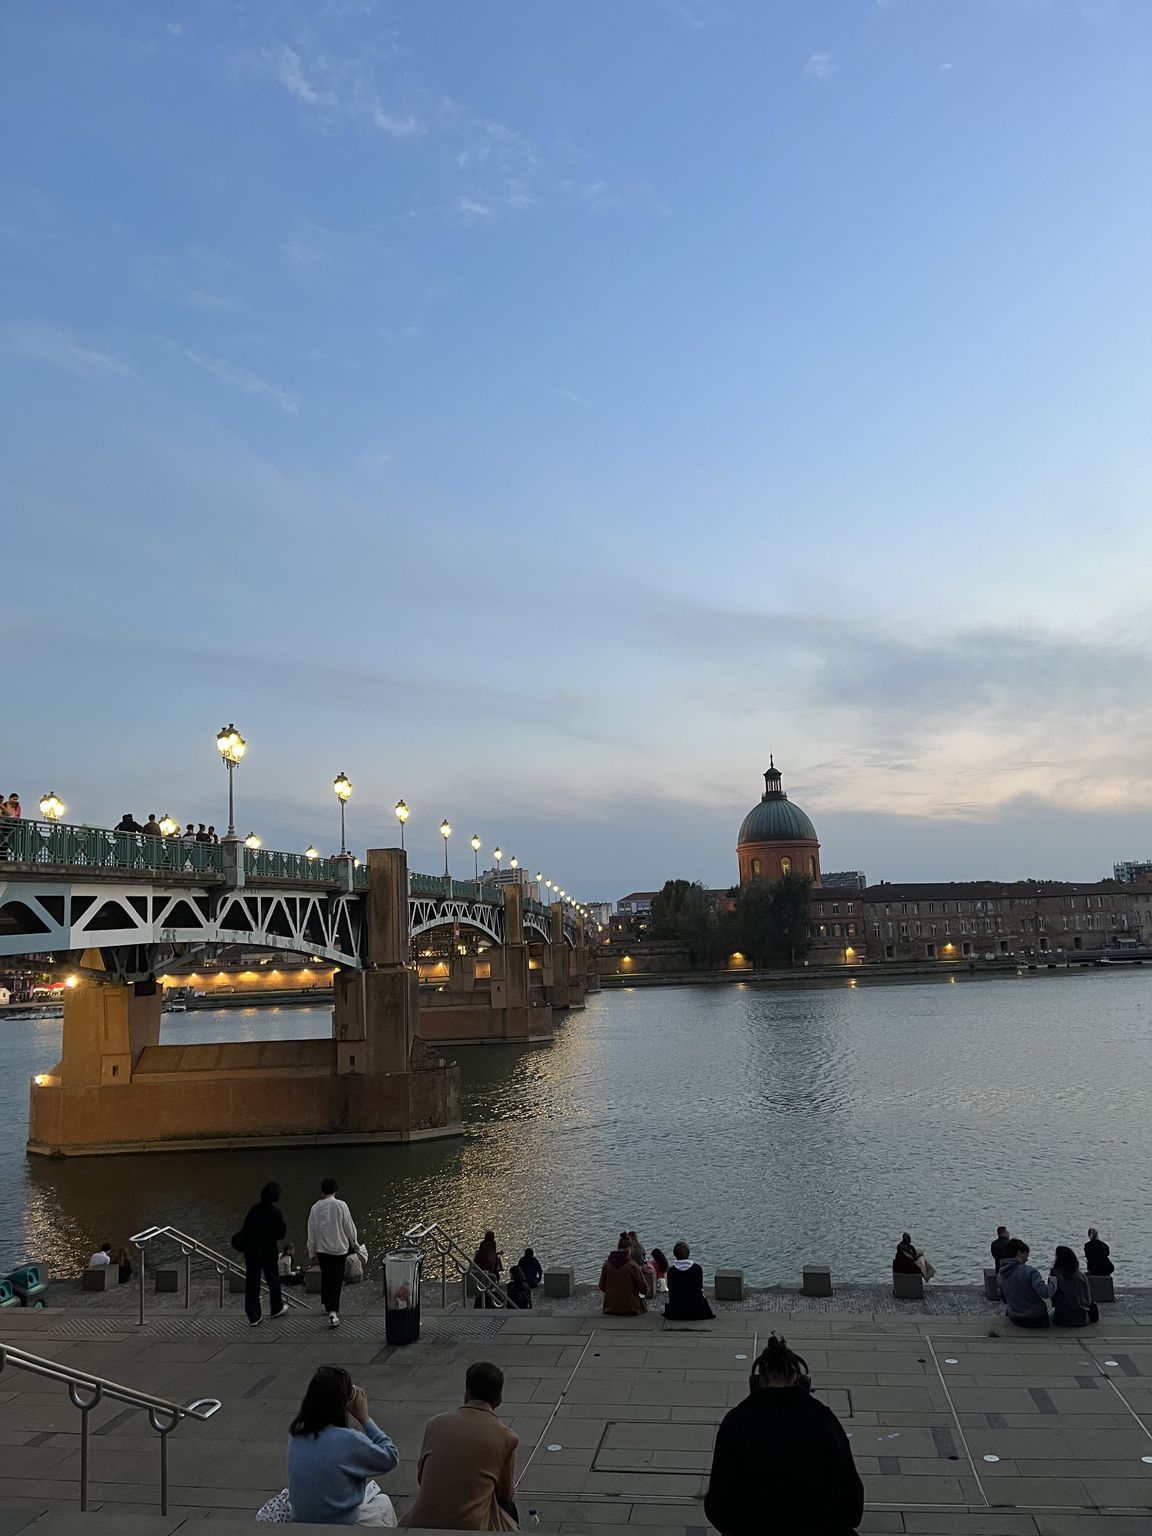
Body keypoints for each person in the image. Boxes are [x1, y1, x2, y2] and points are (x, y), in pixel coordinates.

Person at [705, 1333, 864, 1536]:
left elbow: (718, 1506)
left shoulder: (735, 1422)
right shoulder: (824, 1421)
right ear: (800, 1379)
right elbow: (852, 1504)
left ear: (757, 1381)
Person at [400, 1361, 518, 1531]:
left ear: (466, 1394)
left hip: (420, 1523)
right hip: (471, 1527)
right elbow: (505, 1494)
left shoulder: (435, 1423)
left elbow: (421, 1478)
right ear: (499, 1399)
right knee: (508, 1509)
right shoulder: (507, 1437)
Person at [287, 1366, 398, 1527]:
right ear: (342, 1403)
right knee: (383, 1503)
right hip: (341, 1524)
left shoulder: (296, 1436)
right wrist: (364, 1418)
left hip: (301, 1521)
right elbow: (391, 1456)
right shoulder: (347, 1440)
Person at [308, 1176, 359, 1329]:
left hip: (322, 1249)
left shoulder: (315, 1208)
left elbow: (311, 1232)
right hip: (339, 1248)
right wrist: (354, 1243)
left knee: (327, 1276)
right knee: (336, 1280)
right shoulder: (341, 1205)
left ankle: (327, 1303)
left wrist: (311, 1252)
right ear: (335, 1190)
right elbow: (349, 1227)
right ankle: (333, 1311)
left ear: (322, 1190)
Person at [239, 1181, 288, 1327]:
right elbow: (280, 1233)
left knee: (252, 1281)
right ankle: (276, 1307)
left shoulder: (254, 1210)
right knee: (273, 1278)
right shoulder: (275, 1213)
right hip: (268, 1250)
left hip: (251, 1251)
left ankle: (253, 1315)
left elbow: (246, 1228)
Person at [998, 1239, 1053, 1329]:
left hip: (1015, 1317)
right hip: (1036, 1319)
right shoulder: (1029, 1272)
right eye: (1026, 1255)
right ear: (1019, 1252)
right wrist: (1053, 1282)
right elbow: (1045, 1293)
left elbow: (1003, 1299)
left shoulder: (1001, 1274)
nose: (1027, 1259)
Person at [664, 1241, 715, 1321]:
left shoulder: (671, 1271)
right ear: (688, 1253)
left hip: (677, 1311)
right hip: (696, 1310)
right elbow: (700, 1288)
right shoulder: (697, 1269)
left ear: (675, 1254)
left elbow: (671, 1290)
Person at [598, 1235, 647, 1317]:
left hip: (610, 1307)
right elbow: (643, 1288)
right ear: (630, 1249)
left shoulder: (607, 1264)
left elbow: (602, 1286)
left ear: (618, 1247)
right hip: (631, 1308)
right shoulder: (632, 1265)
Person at [1050, 1245, 1097, 1328]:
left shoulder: (1055, 1274)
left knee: (1049, 1313)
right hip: (1082, 1318)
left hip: (1062, 1318)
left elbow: (1053, 1299)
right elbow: (1088, 1300)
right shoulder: (1081, 1275)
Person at [473, 1230, 502, 1310]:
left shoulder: (483, 1243)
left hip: (481, 1265)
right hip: (489, 1266)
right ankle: (494, 1284)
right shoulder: (493, 1243)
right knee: (496, 1269)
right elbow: (491, 1256)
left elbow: (483, 1254)